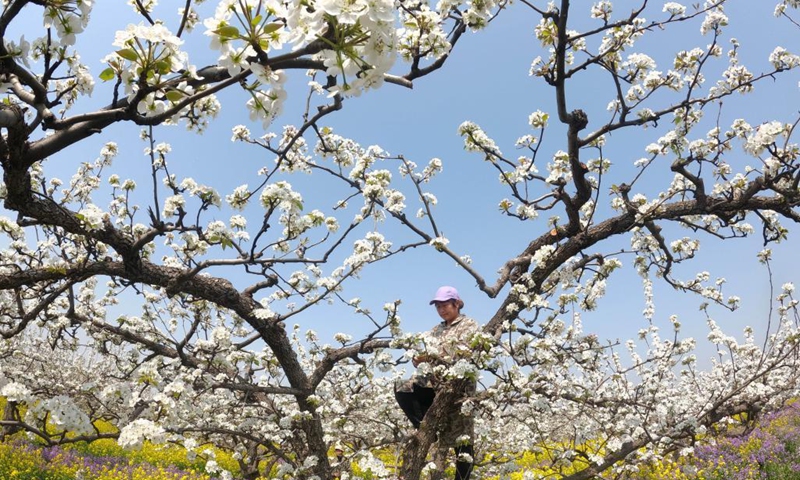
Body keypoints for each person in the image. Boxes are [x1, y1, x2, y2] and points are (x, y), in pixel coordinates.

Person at [395, 285, 478, 480]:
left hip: (458, 388)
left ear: (456, 304)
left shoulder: (469, 325)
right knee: (403, 388)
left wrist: (431, 357)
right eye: (438, 306)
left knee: (462, 440)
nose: (441, 310)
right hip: (434, 383)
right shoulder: (436, 330)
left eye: (445, 305)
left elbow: (464, 353)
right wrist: (417, 358)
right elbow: (425, 351)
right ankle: (425, 427)